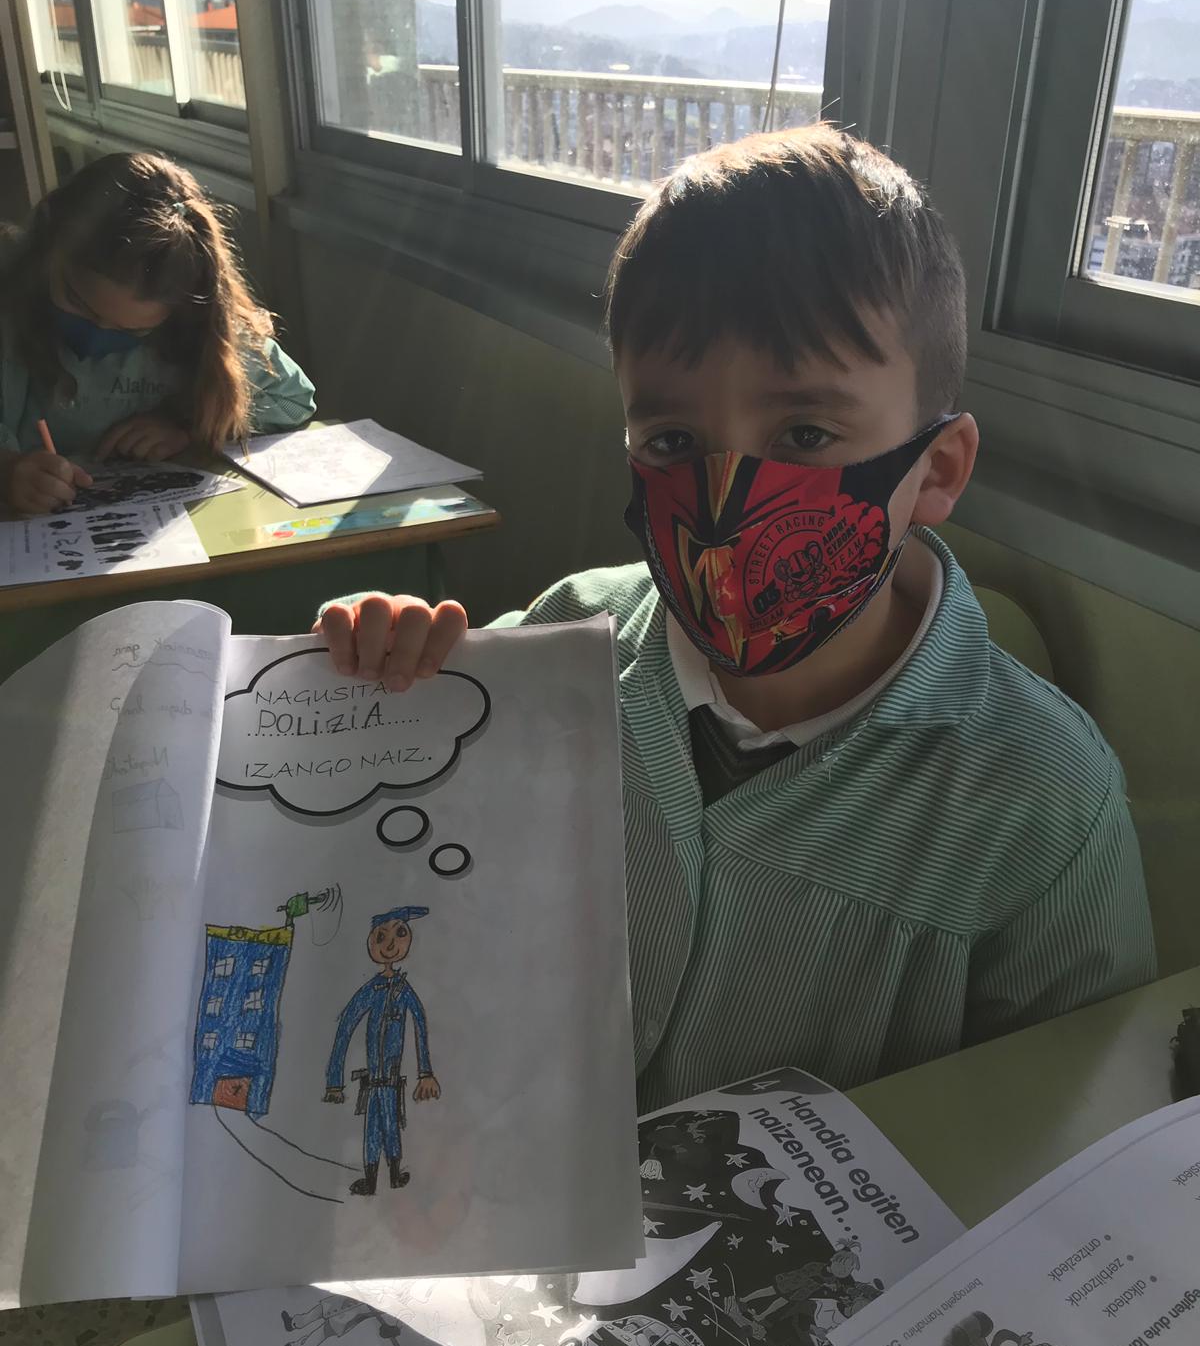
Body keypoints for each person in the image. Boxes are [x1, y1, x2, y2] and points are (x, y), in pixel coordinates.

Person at [313, 125, 1156, 1109]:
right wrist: (382, 674)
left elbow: (1073, 1124)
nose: (723, 501)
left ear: (937, 471)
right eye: (672, 440)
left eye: (804, 432)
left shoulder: (1045, 800)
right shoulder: (560, 639)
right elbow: (421, 829)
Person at [0, 150, 314, 515]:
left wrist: (187, 426)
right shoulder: (11, 311)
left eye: (131, 331)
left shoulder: (198, 324)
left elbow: (293, 401)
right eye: (78, 303)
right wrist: (8, 473)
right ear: (48, 247)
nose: (97, 335)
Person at [325, 905, 441, 1195]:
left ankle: (394, 1174)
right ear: (371, 942)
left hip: (391, 1080)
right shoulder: (371, 990)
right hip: (372, 1081)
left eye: (399, 933)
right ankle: (371, 1179)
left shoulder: (404, 990)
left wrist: (425, 1073)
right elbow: (345, 1028)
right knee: (372, 1130)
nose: (390, 944)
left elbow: (420, 1025)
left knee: (391, 1127)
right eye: (381, 937)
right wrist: (334, 1082)